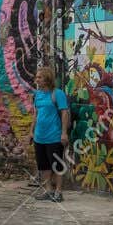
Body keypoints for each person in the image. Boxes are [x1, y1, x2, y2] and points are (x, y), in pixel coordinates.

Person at [31, 66, 71, 202]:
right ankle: (48, 190)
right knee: (44, 166)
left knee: (57, 165)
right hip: (39, 137)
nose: (36, 80)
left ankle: (58, 192)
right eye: (37, 77)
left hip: (54, 136)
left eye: (39, 77)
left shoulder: (57, 94)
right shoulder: (37, 95)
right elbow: (36, 114)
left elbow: (64, 112)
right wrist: (32, 132)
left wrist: (64, 133)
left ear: (47, 79)